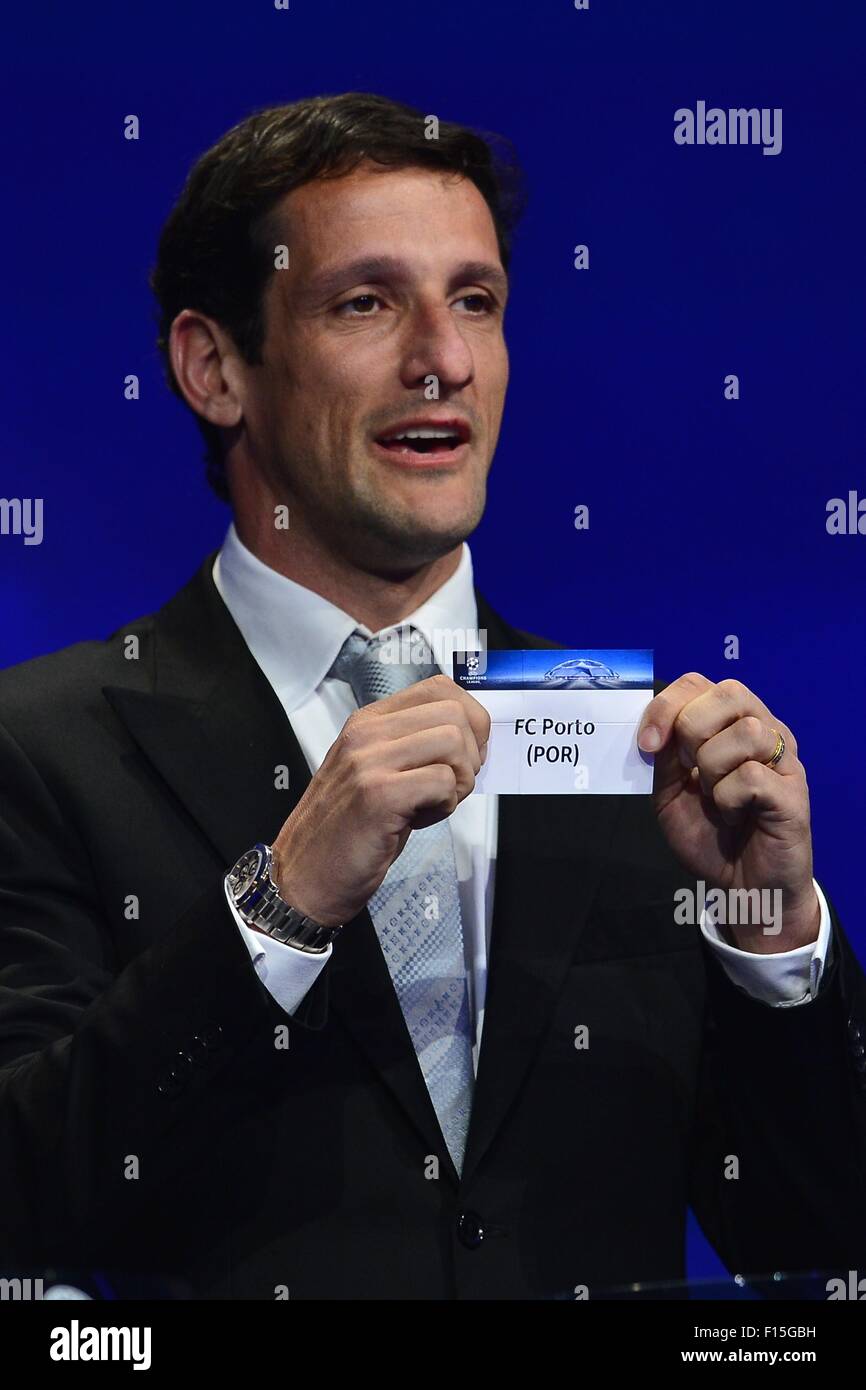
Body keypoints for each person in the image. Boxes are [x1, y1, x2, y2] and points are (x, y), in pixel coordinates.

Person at [0, 92, 864, 1300]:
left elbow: (810, 1238)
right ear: (212, 367)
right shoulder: (42, 747)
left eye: (475, 301)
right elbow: (26, 1197)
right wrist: (282, 902)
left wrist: (769, 932)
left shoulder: (644, 757)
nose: (443, 359)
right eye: (365, 301)